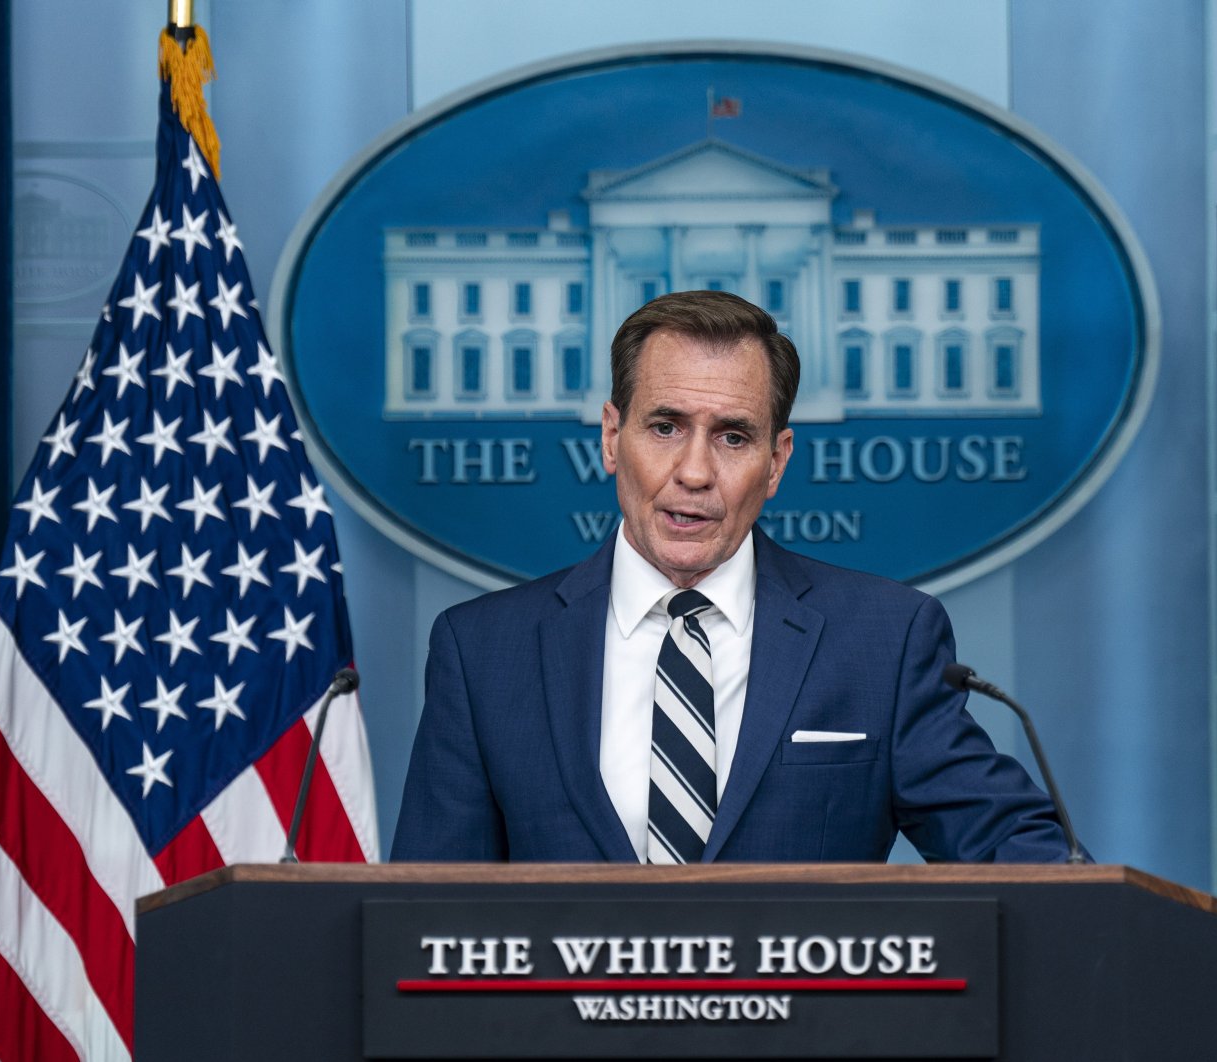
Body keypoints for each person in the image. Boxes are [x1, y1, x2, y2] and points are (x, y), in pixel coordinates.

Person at [391, 290, 1072, 863]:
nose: (694, 472)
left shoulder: (883, 642)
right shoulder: (482, 652)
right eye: (664, 427)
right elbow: (422, 918)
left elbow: (1015, 850)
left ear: (776, 463)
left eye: (733, 437)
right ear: (609, 436)